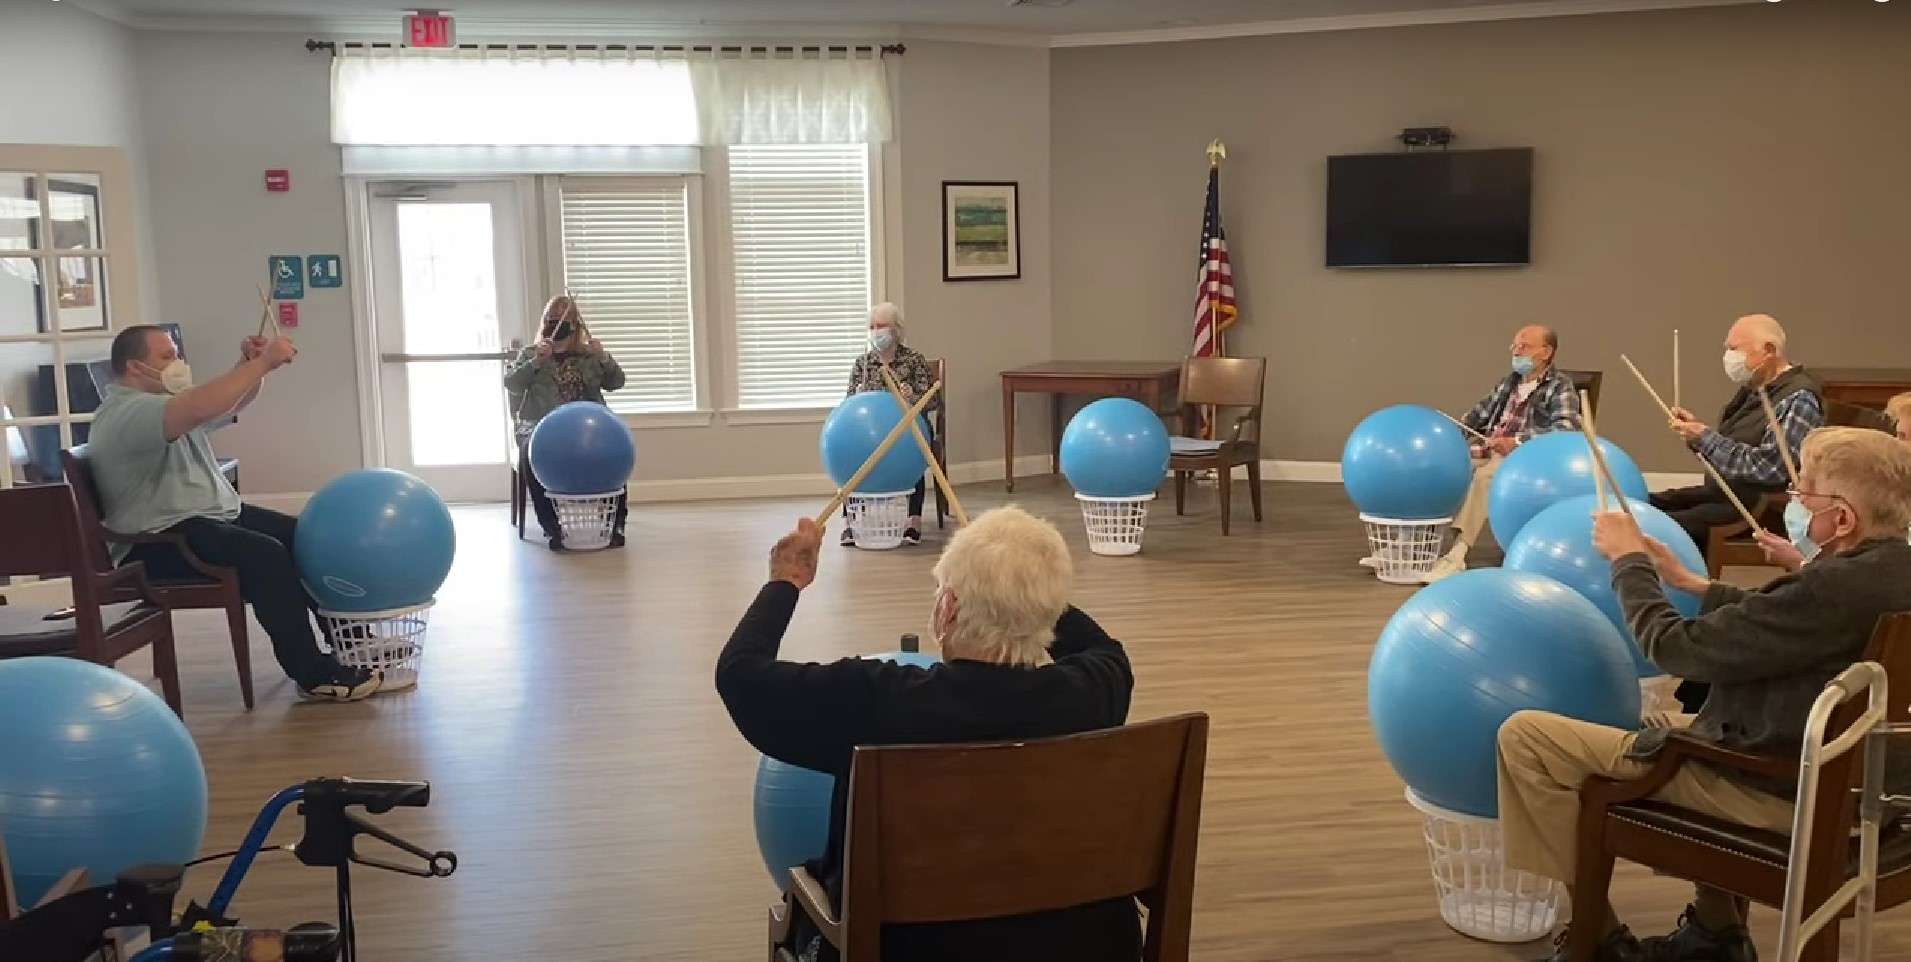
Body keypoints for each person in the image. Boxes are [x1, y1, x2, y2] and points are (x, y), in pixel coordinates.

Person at [1495, 426, 1911, 962]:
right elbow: (1795, 622)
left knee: (1528, 738)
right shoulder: (1887, 571)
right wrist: (1692, 585)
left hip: (1783, 796)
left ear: (1844, 518)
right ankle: (1717, 931)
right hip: (1871, 795)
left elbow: (1673, 648)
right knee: (1675, 726)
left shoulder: (1830, 588)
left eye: (1806, 491)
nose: (1795, 500)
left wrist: (1630, 563)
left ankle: (1594, 940)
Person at [715, 507, 1138, 962]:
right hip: (1079, 944)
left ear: (948, 607)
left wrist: (786, 579)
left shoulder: (873, 700)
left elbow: (740, 675)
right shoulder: (1095, 692)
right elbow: (1101, 646)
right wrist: (1022, 583)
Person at [87, 325, 381, 702]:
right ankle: (312, 672)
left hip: (200, 521)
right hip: (157, 541)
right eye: (166, 356)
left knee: (301, 536)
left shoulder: (165, 403)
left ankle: (352, 642)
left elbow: (228, 402)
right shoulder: (128, 412)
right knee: (265, 555)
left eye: (176, 352)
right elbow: (202, 404)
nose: (177, 362)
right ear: (134, 367)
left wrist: (253, 364)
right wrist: (261, 363)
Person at [1649, 314, 1823, 551]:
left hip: (1754, 506)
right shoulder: (1755, 389)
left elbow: (1772, 470)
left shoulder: (1798, 398)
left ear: (1769, 350)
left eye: (1735, 349)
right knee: (1647, 503)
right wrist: (1697, 436)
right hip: (1726, 493)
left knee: (1654, 524)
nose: (1729, 357)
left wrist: (1704, 438)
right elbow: (1734, 446)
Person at [1420, 325, 1582, 581]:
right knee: (1440, 467)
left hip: (1528, 459)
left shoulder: (1561, 387)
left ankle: (1457, 554)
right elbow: (1476, 416)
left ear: (1546, 352)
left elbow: (1567, 429)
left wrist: (1517, 442)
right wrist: (1445, 442)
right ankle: (1420, 549)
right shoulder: (1510, 382)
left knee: (1486, 477)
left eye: (1525, 347)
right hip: (1491, 448)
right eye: (1515, 346)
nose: (1517, 351)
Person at [504, 294, 628, 551]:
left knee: (616, 451)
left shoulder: (589, 355)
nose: (557, 325)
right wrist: (537, 362)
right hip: (542, 427)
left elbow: (617, 382)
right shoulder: (531, 354)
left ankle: (615, 524)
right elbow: (512, 384)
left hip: (588, 432)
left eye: (564, 321)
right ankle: (553, 529)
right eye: (552, 320)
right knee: (530, 454)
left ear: (576, 326)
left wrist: (604, 357)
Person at [841, 302, 938, 547]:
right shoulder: (862, 364)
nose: (876, 331)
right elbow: (848, 406)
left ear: (896, 330)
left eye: (881, 326)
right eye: (872, 327)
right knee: (848, 452)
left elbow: (933, 400)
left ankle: (913, 522)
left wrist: (911, 396)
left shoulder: (914, 360)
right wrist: (858, 395)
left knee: (915, 446)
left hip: (906, 432)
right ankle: (850, 524)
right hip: (869, 436)